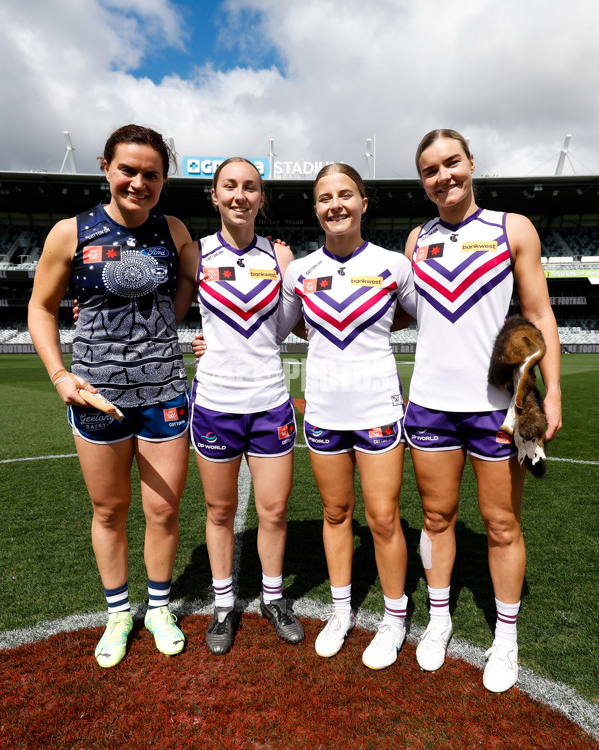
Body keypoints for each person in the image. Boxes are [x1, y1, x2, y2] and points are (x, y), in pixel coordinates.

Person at [28, 124, 192, 668]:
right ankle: (119, 613)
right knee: (109, 509)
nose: (138, 183)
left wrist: (177, 327)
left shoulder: (175, 231)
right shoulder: (69, 232)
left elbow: (192, 283)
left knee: (163, 512)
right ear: (105, 168)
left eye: (151, 174)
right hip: (96, 397)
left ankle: (159, 608)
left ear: (163, 179)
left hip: (165, 391)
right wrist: (60, 376)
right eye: (128, 170)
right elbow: (42, 307)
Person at [403, 129, 562, 692]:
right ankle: (440, 619)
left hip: (497, 410)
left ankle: (507, 638)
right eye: (430, 170)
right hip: (429, 408)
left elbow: (540, 315)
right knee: (437, 518)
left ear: (471, 163)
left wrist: (554, 394)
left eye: (452, 163)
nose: (443, 176)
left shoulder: (511, 227)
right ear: (422, 181)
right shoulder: (416, 239)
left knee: (500, 524)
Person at [277, 163, 417, 670]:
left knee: (382, 518)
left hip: (378, 407)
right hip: (324, 411)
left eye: (345, 195)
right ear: (315, 208)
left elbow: (412, 314)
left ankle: (395, 618)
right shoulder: (300, 271)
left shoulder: (394, 265)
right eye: (324, 198)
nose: (335, 205)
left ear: (363, 203)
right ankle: (341, 612)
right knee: (336, 514)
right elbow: (285, 327)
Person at [175, 157, 304, 654]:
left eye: (250, 187)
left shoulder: (281, 256)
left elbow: (298, 322)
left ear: (261, 198)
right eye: (230, 186)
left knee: (273, 510)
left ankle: (273, 599)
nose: (240, 195)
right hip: (214, 403)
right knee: (220, 510)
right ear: (214, 195)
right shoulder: (195, 253)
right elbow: (174, 312)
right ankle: (224, 604)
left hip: (270, 400)